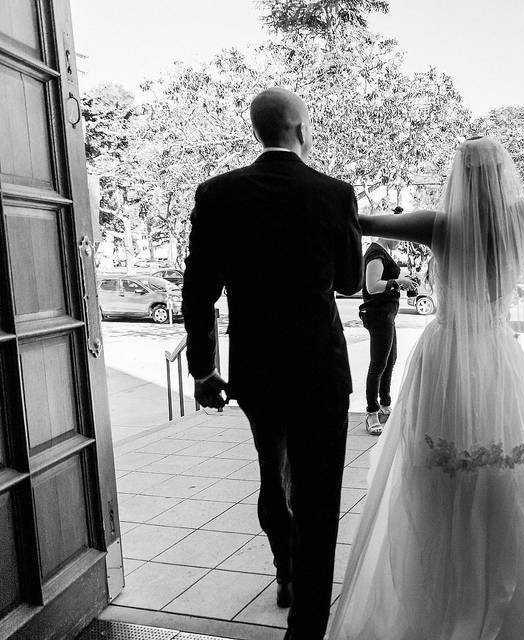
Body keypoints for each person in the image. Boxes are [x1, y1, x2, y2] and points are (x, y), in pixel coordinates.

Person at [327, 97, 524, 639]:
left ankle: (442, 580)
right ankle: (512, 583)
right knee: (509, 474)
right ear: (503, 176)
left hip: (446, 354)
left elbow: (360, 218)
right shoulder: (523, 216)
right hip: (498, 356)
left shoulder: (438, 225)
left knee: (437, 469)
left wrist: (316, 183)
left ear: (457, 177)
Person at [182, 87, 362, 640]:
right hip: (319, 370)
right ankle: (306, 627)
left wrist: (204, 368)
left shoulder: (218, 194)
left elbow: (198, 289)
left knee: (271, 468)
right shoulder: (334, 194)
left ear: (258, 131)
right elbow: (352, 282)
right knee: (318, 493)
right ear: (302, 129)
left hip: (257, 372)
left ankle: (283, 567)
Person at [359, 236, 415, 435]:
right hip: (378, 315)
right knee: (378, 364)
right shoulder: (376, 253)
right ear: (387, 234)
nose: (399, 243)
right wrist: (398, 281)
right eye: (398, 239)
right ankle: (372, 412)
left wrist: (399, 283)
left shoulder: (381, 253)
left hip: (386, 315)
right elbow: (372, 286)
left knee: (390, 359)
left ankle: (385, 403)